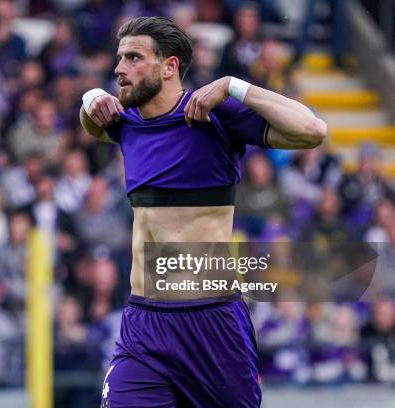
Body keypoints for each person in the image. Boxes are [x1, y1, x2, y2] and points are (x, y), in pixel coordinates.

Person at [79, 16, 327, 408]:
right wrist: (90, 97)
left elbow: (312, 130)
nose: (119, 68)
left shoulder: (216, 115)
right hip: (145, 325)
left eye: (133, 58)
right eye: (119, 58)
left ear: (169, 66)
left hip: (212, 324)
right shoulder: (126, 123)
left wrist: (234, 86)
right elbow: (91, 122)